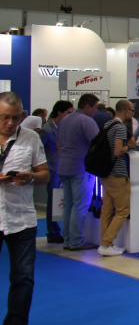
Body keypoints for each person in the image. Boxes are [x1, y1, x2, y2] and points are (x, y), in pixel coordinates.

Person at [0, 92, 49, 325]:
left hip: (21, 218)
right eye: (4, 117)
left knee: (23, 278)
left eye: (15, 117)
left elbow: (45, 174)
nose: (10, 123)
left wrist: (30, 177)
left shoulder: (30, 137)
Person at [57, 93, 101, 251]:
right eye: (95, 107)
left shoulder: (64, 120)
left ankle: (68, 240)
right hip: (80, 168)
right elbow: (97, 143)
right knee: (80, 206)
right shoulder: (87, 121)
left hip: (64, 167)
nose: (96, 111)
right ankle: (76, 241)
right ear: (88, 106)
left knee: (68, 205)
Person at [97, 100, 136, 257]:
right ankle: (106, 243)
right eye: (132, 110)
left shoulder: (108, 125)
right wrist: (130, 145)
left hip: (105, 172)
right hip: (117, 173)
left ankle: (106, 243)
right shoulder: (120, 127)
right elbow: (118, 151)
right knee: (123, 210)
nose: (133, 114)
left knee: (107, 209)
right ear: (126, 110)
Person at [39, 101, 74, 243]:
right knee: (53, 203)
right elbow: (38, 150)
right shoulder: (47, 130)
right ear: (59, 112)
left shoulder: (62, 128)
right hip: (52, 170)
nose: (70, 116)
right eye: (68, 113)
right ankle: (53, 233)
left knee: (59, 202)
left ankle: (58, 231)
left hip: (62, 170)